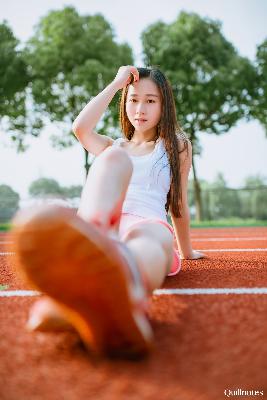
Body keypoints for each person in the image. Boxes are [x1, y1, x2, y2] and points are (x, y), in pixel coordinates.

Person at [12, 66, 205, 360]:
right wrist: (117, 83)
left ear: (165, 106)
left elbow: (177, 201)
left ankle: (118, 289)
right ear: (124, 102)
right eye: (133, 99)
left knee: (146, 239)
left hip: (149, 224)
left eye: (151, 101)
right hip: (105, 227)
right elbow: (80, 128)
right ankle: (92, 266)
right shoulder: (112, 146)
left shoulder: (176, 146)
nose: (140, 109)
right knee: (113, 158)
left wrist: (186, 250)